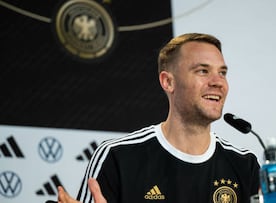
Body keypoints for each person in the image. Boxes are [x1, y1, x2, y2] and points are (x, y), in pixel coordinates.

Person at [57, 33, 260, 203]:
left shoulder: (245, 165)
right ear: (168, 82)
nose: (218, 82)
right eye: (203, 71)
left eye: (222, 73)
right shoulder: (117, 156)